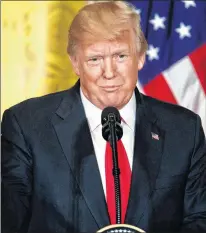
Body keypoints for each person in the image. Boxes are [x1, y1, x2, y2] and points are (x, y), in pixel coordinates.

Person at [1, 1, 206, 233]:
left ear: (140, 57)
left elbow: (199, 220)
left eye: (120, 56)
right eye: (95, 59)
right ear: (75, 63)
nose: (109, 73)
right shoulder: (26, 126)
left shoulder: (185, 130)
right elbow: (9, 224)